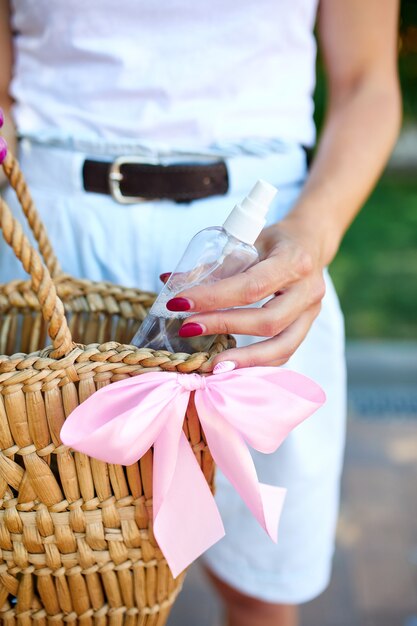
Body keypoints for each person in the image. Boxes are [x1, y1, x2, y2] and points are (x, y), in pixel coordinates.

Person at [0, 1, 401, 625]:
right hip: (52, 242)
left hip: (263, 251)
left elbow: (367, 82)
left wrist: (313, 234)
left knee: (260, 591)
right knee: (47, 587)